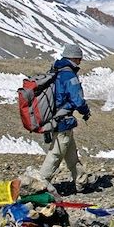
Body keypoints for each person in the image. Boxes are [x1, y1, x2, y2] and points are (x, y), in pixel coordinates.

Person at [39, 44, 91, 194]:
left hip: (54, 119)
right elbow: (77, 99)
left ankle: (81, 181)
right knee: (55, 154)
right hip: (63, 121)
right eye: (79, 59)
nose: (80, 62)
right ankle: (39, 184)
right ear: (74, 58)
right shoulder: (69, 75)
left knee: (70, 152)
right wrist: (85, 111)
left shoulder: (55, 71)